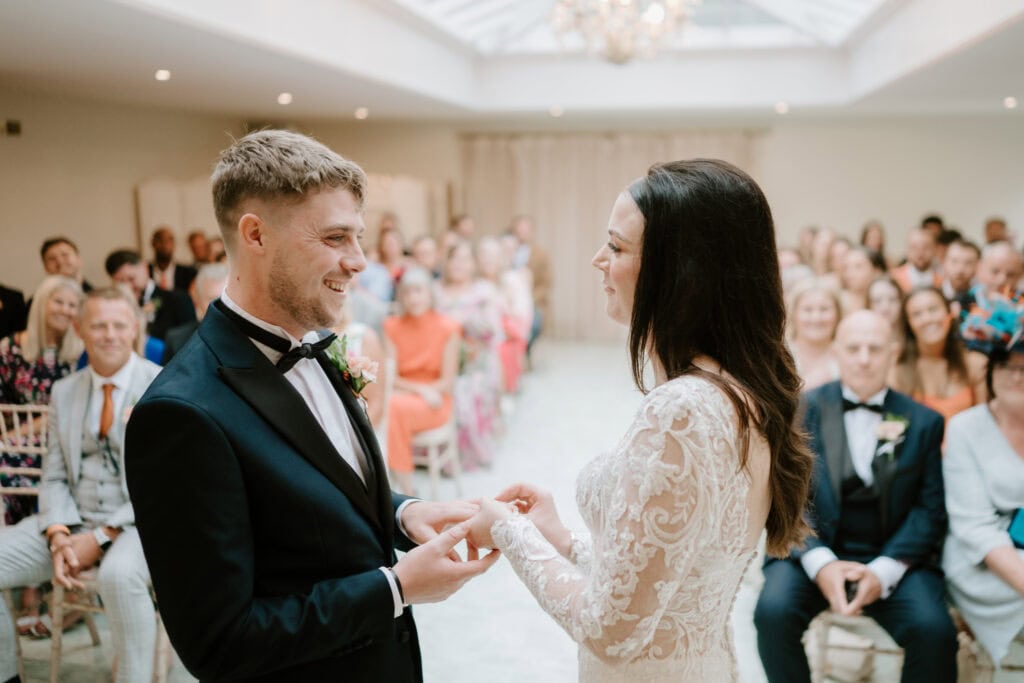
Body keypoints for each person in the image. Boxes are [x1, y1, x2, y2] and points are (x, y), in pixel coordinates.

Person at [124, 129, 497, 682]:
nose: (360, 261)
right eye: (335, 238)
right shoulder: (181, 414)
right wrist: (396, 588)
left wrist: (401, 512)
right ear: (255, 235)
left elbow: (314, 484)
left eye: (359, 237)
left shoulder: (313, 338)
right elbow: (220, 643)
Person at [465, 159, 814, 681]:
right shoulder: (740, 392)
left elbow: (610, 630)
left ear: (679, 274)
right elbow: (664, 582)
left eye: (618, 247)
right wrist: (560, 537)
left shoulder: (682, 411)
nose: (597, 260)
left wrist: (509, 531)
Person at [754, 309, 957, 683]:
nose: (864, 359)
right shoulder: (799, 410)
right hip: (812, 549)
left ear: (893, 353)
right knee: (772, 612)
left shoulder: (924, 421)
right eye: (854, 348)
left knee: (934, 632)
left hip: (895, 557)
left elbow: (929, 510)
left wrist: (884, 571)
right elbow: (785, 498)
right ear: (837, 352)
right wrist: (821, 562)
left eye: (875, 349)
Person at [0, 286, 163, 683]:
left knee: (118, 577)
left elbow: (164, 485)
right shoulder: (65, 390)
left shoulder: (163, 384)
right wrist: (57, 534)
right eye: (99, 325)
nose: (109, 334)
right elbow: (54, 474)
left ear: (134, 329)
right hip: (72, 521)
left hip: (138, 524)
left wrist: (102, 536)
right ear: (80, 330)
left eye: (119, 325)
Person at [944, 296, 1024, 666]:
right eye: (1007, 365)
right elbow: (973, 527)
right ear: (991, 371)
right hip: (982, 561)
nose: (1017, 376)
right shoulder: (966, 428)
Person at [1, 275, 84, 523]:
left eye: (72, 305)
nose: (66, 310)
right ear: (41, 302)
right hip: (16, 441)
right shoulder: (10, 348)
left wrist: (14, 436)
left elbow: (71, 407)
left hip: (63, 439)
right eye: (59, 302)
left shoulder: (79, 352)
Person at [383, 268, 461, 495]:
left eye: (419, 291)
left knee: (391, 410)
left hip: (437, 401)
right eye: (407, 292)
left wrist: (425, 392)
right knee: (388, 407)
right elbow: (391, 377)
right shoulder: (391, 326)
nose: (413, 298)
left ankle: (404, 491)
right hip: (405, 395)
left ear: (430, 294)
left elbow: (447, 382)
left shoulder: (449, 328)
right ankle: (406, 490)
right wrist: (420, 390)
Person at [437, 241, 503, 470]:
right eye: (454, 258)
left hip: (476, 362)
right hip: (440, 361)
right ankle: (440, 451)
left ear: (473, 264)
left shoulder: (484, 291)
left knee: (467, 390)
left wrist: (465, 322)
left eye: (465, 259)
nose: (459, 264)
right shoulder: (436, 291)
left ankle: (466, 454)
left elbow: (492, 331)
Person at [890, 286, 981, 422]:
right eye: (917, 314)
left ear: (949, 313)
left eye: (933, 310)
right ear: (909, 324)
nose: (927, 319)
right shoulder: (897, 368)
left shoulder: (974, 363)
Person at [105, 248, 195, 341]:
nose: (128, 286)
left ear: (145, 268)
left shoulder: (178, 300)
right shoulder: (112, 309)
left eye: (131, 278)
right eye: (121, 283)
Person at [161, 262, 229, 364]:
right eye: (213, 300)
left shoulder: (251, 338)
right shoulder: (177, 341)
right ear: (197, 301)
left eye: (227, 299)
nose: (222, 306)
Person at [787, 277, 843, 391]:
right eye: (808, 310)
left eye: (824, 309)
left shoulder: (850, 355)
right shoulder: (780, 356)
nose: (816, 318)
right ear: (794, 314)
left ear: (838, 313)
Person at [891, 228, 941, 293]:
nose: (920, 253)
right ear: (907, 250)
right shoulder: (894, 278)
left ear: (934, 250)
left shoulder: (942, 282)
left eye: (925, 247)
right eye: (914, 247)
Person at [149, 226, 197, 292]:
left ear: (174, 245)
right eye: (160, 240)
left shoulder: (188, 274)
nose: (164, 244)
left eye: (169, 240)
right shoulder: (146, 272)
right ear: (153, 244)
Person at [940, 238, 980, 305]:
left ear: (977, 266)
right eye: (954, 261)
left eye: (968, 263)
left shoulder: (983, 297)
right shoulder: (934, 296)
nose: (960, 270)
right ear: (944, 262)